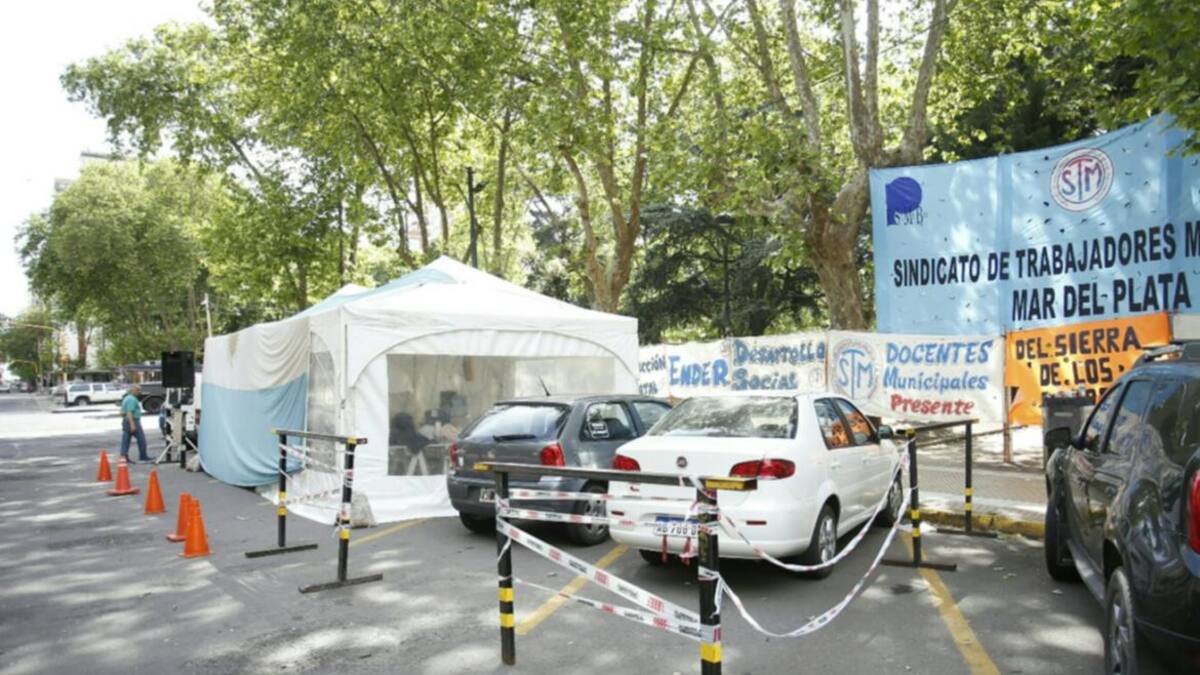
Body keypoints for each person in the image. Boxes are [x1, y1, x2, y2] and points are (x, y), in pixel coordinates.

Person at [120, 384, 149, 463]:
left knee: (126, 440)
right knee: (141, 439)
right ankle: (143, 456)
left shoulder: (126, 398)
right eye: (138, 390)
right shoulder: (132, 399)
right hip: (133, 420)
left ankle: (124, 456)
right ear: (132, 390)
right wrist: (132, 424)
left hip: (126, 420)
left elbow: (122, 412)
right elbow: (129, 412)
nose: (139, 392)